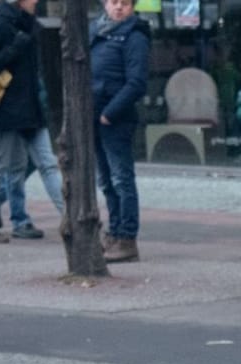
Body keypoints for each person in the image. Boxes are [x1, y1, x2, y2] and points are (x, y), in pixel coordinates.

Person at [0, 0, 46, 245]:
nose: (36, 1)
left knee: (17, 165)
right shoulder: (1, 21)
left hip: (18, 106)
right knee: (0, 163)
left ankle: (19, 219)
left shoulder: (22, 22)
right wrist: (14, 47)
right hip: (2, 106)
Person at [91, 0, 151, 264]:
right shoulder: (98, 31)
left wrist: (109, 113)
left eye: (125, 3)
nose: (119, 8)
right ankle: (114, 233)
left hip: (115, 118)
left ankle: (127, 238)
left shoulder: (134, 36)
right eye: (114, 2)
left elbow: (136, 82)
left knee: (121, 179)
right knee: (106, 180)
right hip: (95, 116)